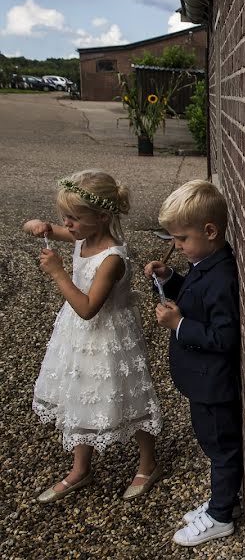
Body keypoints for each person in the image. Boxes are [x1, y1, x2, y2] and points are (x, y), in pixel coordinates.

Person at [24, 170, 163, 503]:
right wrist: (41, 226)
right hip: (77, 336)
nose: (67, 224)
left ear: (102, 217)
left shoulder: (112, 259)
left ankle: (148, 464)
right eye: (63, 217)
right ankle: (80, 468)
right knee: (79, 393)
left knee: (131, 397)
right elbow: (60, 233)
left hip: (109, 338)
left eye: (73, 218)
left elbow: (88, 308)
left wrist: (57, 273)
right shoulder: (83, 236)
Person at [144, 180, 242, 547]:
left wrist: (179, 324)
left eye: (181, 239)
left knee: (221, 448)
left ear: (210, 231)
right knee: (211, 444)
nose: (176, 246)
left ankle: (220, 516)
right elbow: (194, 295)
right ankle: (221, 500)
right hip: (202, 382)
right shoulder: (207, 262)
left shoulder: (222, 276)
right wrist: (170, 279)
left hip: (214, 385)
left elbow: (224, 336)